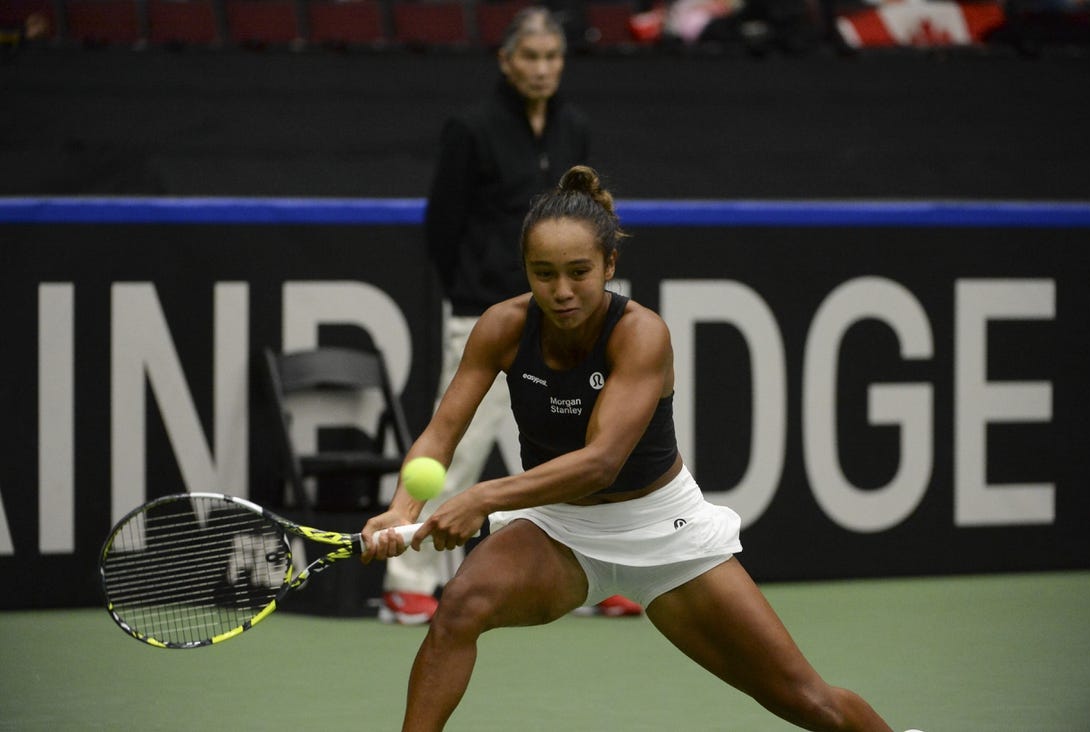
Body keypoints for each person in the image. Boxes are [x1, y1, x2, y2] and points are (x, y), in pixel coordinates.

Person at [362, 166, 897, 732]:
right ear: (525, 271)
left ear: (610, 266)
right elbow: (441, 433)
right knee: (460, 607)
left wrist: (483, 498)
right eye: (544, 275)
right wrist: (403, 507)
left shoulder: (641, 334)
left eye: (578, 273)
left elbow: (600, 463)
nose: (561, 292)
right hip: (559, 530)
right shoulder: (501, 327)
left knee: (808, 702)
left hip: (664, 531)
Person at [379, 5, 642, 623]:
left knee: (575, 455)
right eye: (531, 56)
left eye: (552, 57)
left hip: (570, 327)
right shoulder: (471, 129)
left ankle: (594, 576)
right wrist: (476, 296)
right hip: (487, 317)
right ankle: (407, 579)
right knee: (456, 452)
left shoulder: (572, 126)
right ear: (506, 61)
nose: (543, 68)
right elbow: (442, 226)